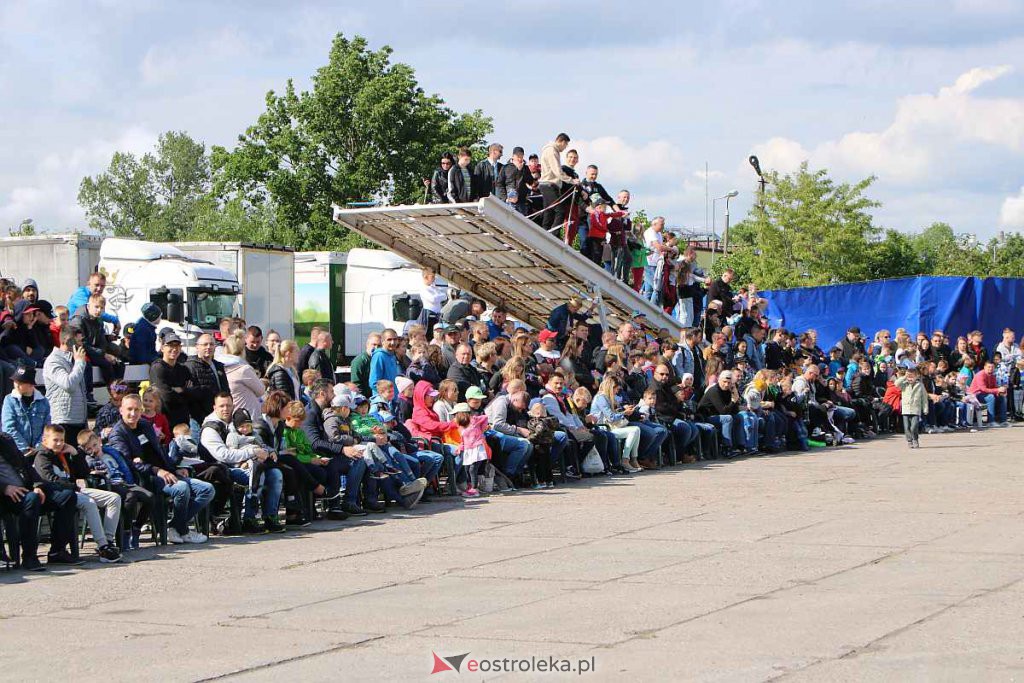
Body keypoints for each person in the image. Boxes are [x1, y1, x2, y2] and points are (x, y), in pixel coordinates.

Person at [107, 394, 214, 544]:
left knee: (207, 489)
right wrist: (157, 470)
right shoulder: (118, 434)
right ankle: (183, 530)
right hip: (145, 478)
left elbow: (160, 452)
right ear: (121, 410)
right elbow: (129, 463)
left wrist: (175, 468)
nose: (133, 413)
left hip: (165, 472)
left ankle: (175, 526)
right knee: (181, 488)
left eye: (137, 409)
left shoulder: (145, 425)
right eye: (129, 409)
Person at [33, 424, 123, 563]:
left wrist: (75, 453)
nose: (59, 443)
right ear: (45, 440)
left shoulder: (64, 453)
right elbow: (50, 479)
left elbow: (84, 473)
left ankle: (108, 541)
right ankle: (103, 547)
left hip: (75, 489)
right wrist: (73, 486)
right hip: (61, 492)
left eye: (62, 440)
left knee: (114, 498)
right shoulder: (42, 456)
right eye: (55, 440)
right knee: (90, 503)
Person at [201, 392, 284, 533]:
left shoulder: (236, 422)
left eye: (228, 405)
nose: (225, 409)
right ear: (214, 407)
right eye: (221, 406)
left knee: (275, 473)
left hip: (246, 465)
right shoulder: (210, 429)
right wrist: (253, 453)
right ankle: (249, 519)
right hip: (222, 469)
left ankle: (271, 517)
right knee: (256, 475)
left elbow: (257, 441)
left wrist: (269, 451)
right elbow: (223, 456)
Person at [0, 430, 79, 570]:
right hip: (6, 496)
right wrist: (5, 488)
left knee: (67, 496)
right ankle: (29, 557)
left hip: (25, 488)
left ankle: (57, 551)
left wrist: (37, 485)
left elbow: (24, 464)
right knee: (31, 499)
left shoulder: (6, 439)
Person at [302, 379, 376, 515]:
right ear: (322, 394)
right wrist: (342, 449)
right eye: (331, 392)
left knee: (364, 457)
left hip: (331, 453)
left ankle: (368, 500)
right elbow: (315, 443)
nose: (334, 396)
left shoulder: (326, 411)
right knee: (356, 461)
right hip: (318, 457)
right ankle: (347, 502)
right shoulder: (310, 414)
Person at [78, 428, 154, 550]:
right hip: (110, 485)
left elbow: (124, 466)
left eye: (94, 445)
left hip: (125, 482)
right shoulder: (91, 459)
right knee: (131, 497)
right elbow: (86, 469)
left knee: (150, 497)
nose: (94, 450)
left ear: (99, 441)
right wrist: (93, 468)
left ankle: (137, 528)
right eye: (89, 449)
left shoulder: (111, 453)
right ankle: (125, 531)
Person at [43, 326, 89, 447]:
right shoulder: (53, 361)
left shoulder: (73, 360)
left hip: (78, 421)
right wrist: (79, 363)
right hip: (63, 422)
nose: (82, 345)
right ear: (68, 341)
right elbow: (68, 385)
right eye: (79, 341)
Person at [2, 364, 49, 452]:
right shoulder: (9, 400)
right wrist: (25, 448)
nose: (16, 384)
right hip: (16, 451)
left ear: (31, 384)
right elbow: (8, 428)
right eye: (15, 381)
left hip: (39, 451)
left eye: (21, 382)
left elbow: (47, 428)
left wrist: (38, 448)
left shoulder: (44, 401)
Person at [538, 133, 580, 233]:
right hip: (549, 184)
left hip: (546, 184)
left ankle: (545, 233)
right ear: (562, 142)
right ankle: (553, 235)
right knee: (560, 210)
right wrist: (572, 180)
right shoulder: (552, 151)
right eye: (566, 145)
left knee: (549, 212)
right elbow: (557, 171)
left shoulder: (548, 150)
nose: (565, 148)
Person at [148, 331, 191, 429]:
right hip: (165, 421)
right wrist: (183, 392)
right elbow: (166, 396)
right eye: (170, 345)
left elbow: (192, 392)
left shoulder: (183, 369)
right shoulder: (157, 368)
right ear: (162, 348)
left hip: (183, 421)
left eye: (177, 345)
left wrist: (181, 390)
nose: (174, 349)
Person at [184, 333, 229, 424]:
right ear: (197, 347)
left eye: (211, 344)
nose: (208, 347)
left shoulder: (219, 366)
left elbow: (225, 390)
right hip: (199, 417)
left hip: (220, 415)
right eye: (205, 344)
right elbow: (190, 394)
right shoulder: (190, 366)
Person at [221, 332, 266, 421]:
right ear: (242, 350)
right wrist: (262, 382)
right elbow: (261, 390)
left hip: (230, 413)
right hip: (247, 415)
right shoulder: (244, 370)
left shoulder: (220, 367)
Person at [895, 366, 928, 448]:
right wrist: (904, 377)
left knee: (914, 426)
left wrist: (925, 408)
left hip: (915, 409)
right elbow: (896, 384)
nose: (910, 379)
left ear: (916, 376)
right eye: (908, 377)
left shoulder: (920, 385)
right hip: (906, 409)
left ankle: (915, 439)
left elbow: (924, 398)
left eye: (912, 377)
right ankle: (909, 440)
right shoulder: (904, 384)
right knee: (906, 427)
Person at [496, 147, 534, 215]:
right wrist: (505, 198)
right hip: (510, 199)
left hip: (522, 201)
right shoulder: (506, 167)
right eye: (518, 156)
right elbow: (499, 184)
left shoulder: (525, 168)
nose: (519, 158)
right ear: (513, 156)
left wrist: (521, 170)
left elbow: (530, 181)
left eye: (521, 156)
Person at [969, 360, 1008, 426]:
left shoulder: (992, 376)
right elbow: (983, 389)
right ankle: (991, 422)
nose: (991, 368)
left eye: (992, 367)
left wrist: (1000, 391)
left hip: (985, 394)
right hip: (975, 395)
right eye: (989, 367)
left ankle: (1003, 421)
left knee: (1001, 397)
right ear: (984, 367)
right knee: (991, 397)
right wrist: (997, 390)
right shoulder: (980, 375)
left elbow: (994, 387)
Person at [642, 217, 668, 304]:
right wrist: (671, 249)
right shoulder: (650, 232)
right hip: (649, 263)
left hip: (655, 263)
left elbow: (660, 248)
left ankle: (645, 308)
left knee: (649, 290)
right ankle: (653, 308)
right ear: (654, 224)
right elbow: (659, 247)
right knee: (656, 288)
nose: (663, 226)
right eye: (662, 224)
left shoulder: (658, 234)